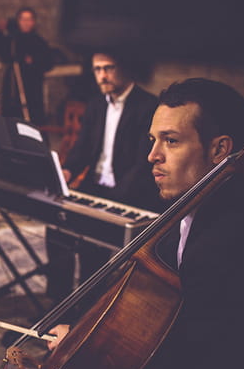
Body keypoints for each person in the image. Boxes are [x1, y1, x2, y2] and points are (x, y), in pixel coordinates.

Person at [48, 78, 244, 369]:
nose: (152, 156)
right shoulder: (186, 204)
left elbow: (206, 355)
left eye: (171, 140)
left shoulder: (233, 237)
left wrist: (86, 356)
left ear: (219, 150)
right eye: (153, 140)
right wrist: (82, 336)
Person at [45, 50, 162, 301]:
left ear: (125, 68)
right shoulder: (96, 104)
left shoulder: (148, 105)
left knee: (93, 242)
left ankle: (88, 305)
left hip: (127, 192)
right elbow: (82, 150)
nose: (102, 75)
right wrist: (66, 171)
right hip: (95, 186)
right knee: (55, 224)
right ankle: (57, 302)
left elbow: (142, 164)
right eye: (97, 69)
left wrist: (110, 205)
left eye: (108, 68)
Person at [0, 7, 54, 125]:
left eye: (29, 20)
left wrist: (33, 61)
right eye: (23, 19)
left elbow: (48, 61)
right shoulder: (11, 39)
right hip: (12, 87)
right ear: (18, 21)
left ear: (33, 22)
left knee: (32, 120)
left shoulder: (38, 41)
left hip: (31, 88)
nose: (26, 23)